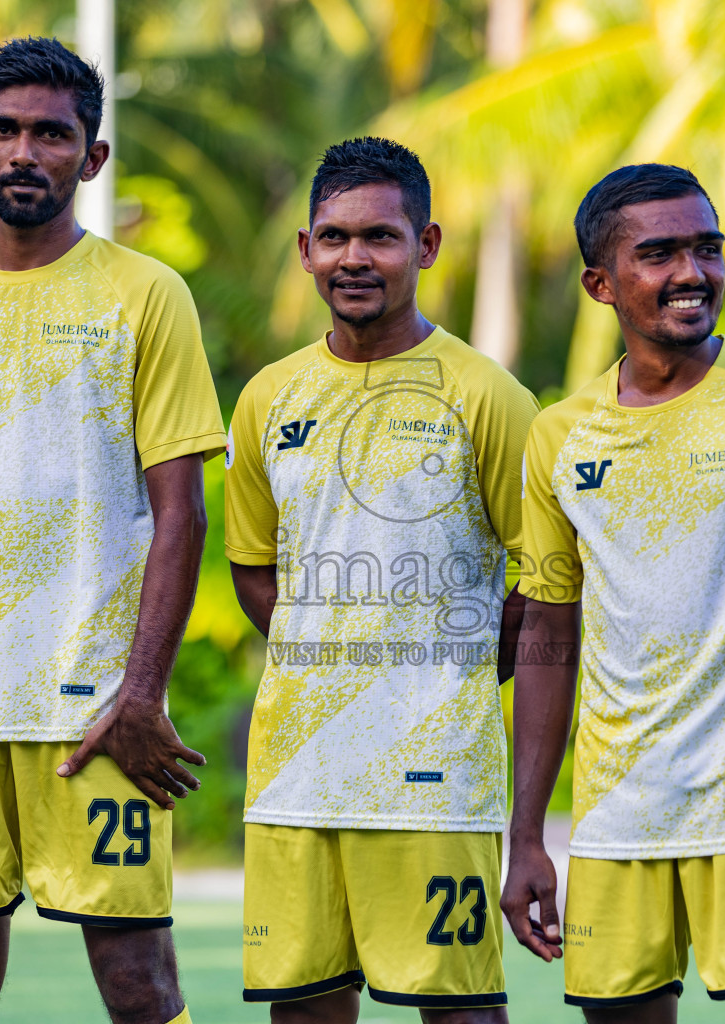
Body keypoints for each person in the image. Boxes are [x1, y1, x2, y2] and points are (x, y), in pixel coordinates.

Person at [0, 37, 223, 1024]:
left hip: (95, 710)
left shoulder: (146, 295)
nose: (26, 152)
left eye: (52, 134)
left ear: (91, 159)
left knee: (137, 979)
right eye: (5, 131)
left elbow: (180, 509)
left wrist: (143, 690)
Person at [503, 164, 725, 1024]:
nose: (691, 274)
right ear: (600, 283)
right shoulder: (560, 436)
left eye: (706, 248)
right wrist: (526, 837)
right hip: (615, 821)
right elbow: (550, 639)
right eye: (658, 254)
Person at [225, 136, 538, 1022]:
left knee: (458, 1012)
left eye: (380, 236)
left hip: (435, 777)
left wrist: (459, 667)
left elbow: (549, 575)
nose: (353, 258)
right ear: (305, 250)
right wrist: (334, 661)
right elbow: (254, 570)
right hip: (295, 777)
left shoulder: (486, 393)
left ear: (427, 246)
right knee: (303, 1008)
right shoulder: (267, 399)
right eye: (333, 237)